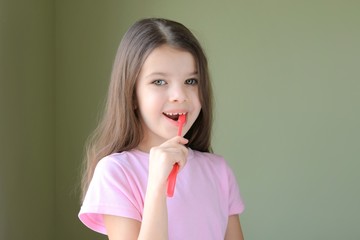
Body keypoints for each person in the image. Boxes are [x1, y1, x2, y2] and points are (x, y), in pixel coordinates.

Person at [78, 18, 245, 240]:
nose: (180, 95)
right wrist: (156, 186)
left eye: (191, 81)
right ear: (132, 94)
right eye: (159, 82)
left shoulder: (219, 172)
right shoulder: (115, 173)